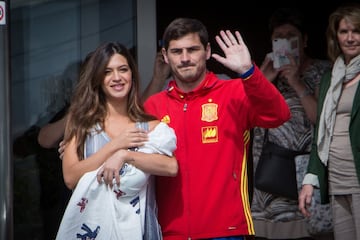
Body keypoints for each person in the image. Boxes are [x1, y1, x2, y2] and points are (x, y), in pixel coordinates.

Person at [143, 17, 291, 239]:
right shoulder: (153, 105)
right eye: (176, 52)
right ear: (165, 56)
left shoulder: (234, 92)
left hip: (226, 230)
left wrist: (248, 72)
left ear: (207, 50)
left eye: (192, 49)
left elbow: (279, 115)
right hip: (170, 232)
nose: (185, 58)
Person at [56, 42, 178, 239]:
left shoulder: (149, 126)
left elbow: (171, 167)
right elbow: (71, 177)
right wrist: (115, 145)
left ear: (132, 75)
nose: (117, 78)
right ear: (98, 79)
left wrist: (125, 155)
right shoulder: (81, 123)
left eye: (123, 69)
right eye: (107, 72)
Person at [250, 8, 334, 240]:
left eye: (291, 37)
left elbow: (321, 118)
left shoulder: (322, 70)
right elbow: (244, 118)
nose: (285, 42)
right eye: (279, 37)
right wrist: (264, 82)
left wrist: (296, 81)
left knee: (312, 229)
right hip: (270, 169)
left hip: (306, 169)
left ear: (304, 40)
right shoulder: (263, 73)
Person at [299, 3, 360, 240]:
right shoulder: (330, 77)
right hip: (336, 179)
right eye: (344, 32)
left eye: (356, 31)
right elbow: (321, 133)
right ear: (336, 37)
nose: (351, 38)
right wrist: (309, 181)